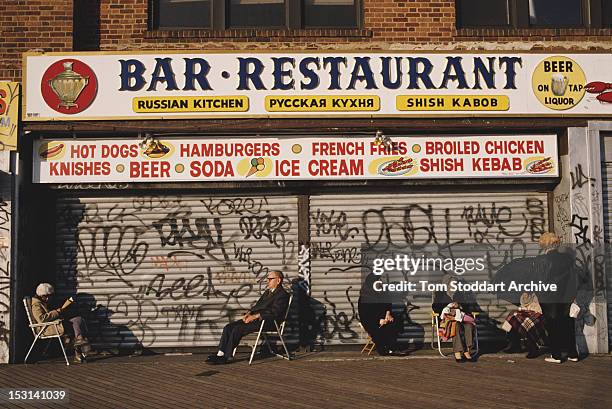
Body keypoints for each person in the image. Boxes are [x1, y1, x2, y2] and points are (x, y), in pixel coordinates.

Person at [206, 270, 289, 365]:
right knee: (228, 327)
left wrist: (255, 316)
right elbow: (258, 305)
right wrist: (249, 313)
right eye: (267, 279)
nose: (267, 281)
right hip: (257, 320)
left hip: (269, 322)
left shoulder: (282, 295)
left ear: (278, 281)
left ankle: (226, 356)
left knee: (237, 329)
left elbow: (275, 312)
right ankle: (220, 354)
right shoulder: (267, 292)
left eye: (270, 279)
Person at [535, 232, 579, 364]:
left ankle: (556, 355)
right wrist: (572, 296)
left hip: (550, 298)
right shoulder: (568, 259)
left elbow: (540, 281)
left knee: (553, 326)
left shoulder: (542, 260)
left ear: (544, 245)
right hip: (566, 297)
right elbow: (574, 279)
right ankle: (573, 354)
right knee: (567, 324)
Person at [31, 283, 91, 363]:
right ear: (42, 296)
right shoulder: (36, 305)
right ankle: (79, 348)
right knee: (76, 324)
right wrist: (58, 311)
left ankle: (79, 342)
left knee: (78, 320)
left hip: (55, 324)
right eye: (47, 296)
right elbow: (41, 319)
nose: (49, 298)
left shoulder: (44, 302)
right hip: (47, 329)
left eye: (50, 296)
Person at [357, 273, 400, 356]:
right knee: (379, 329)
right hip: (369, 320)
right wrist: (378, 320)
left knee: (394, 322)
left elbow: (388, 304)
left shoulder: (382, 293)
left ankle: (391, 347)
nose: (380, 282)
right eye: (377, 280)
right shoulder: (365, 296)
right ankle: (383, 348)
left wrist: (388, 314)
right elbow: (365, 314)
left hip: (383, 318)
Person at [502, 292, 546, 359]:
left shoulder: (535, 294)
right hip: (527, 313)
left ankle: (533, 347)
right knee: (512, 317)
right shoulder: (522, 295)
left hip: (537, 314)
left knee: (527, 323)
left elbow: (537, 309)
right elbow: (522, 306)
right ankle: (515, 345)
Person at [439, 298, 476, 363]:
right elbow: (436, 309)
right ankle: (457, 352)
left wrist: (459, 307)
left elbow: (468, 309)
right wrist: (449, 307)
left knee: (469, 326)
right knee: (455, 326)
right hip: (450, 320)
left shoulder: (461, 296)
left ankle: (467, 350)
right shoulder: (441, 296)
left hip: (462, 319)